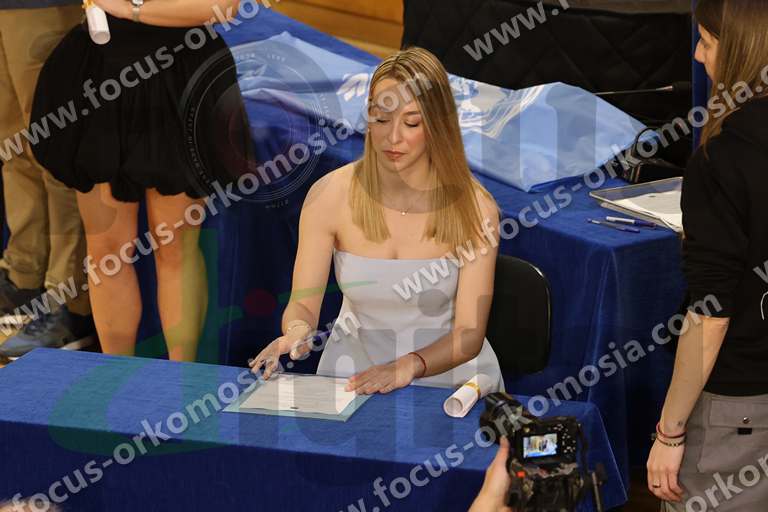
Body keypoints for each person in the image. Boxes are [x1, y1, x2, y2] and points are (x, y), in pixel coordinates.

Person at [249, 47, 504, 395]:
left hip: (450, 381)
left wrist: (408, 366)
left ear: (438, 126)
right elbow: (304, 303)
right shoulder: (329, 196)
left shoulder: (476, 207)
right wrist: (296, 332)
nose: (393, 137)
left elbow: (468, 335)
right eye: (381, 119)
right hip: (352, 377)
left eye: (411, 123)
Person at [28, 0, 251, 361]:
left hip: (181, 74)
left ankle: (182, 376)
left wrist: (129, 9)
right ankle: (114, 372)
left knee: (174, 244)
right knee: (107, 251)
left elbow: (222, 7)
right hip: (100, 74)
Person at [646, 0, 768, 509]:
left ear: (743, 50)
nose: (698, 55)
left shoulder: (723, 159)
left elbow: (710, 316)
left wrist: (669, 432)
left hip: (740, 408)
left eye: (708, 41)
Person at [0, 1, 95, 360]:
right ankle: (23, 278)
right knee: (12, 148)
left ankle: (67, 299)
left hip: (45, 7)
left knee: (54, 149)